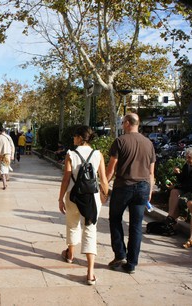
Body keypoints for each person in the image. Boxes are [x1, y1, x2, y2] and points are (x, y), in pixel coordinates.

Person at [58, 125, 109, 285]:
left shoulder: (71, 154)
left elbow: (66, 179)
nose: (73, 139)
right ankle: (90, 273)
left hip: (73, 195)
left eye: (75, 136)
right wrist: (105, 194)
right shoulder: (98, 154)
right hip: (92, 197)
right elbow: (103, 179)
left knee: (72, 225)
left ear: (80, 137)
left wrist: (60, 198)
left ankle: (70, 255)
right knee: (90, 229)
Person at [105, 113, 155, 274]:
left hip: (123, 186)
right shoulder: (148, 143)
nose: (121, 124)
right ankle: (132, 263)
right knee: (136, 226)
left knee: (115, 220)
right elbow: (151, 172)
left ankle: (120, 254)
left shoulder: (120, 141)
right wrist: (150, 191)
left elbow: (111, 168)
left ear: (127, 123)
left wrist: (104, 187)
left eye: (122, 122)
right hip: (142, 188)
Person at [164, 146, 192, 229]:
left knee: (177, 194)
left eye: (189, 158)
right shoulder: (187, 166)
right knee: (174, 192)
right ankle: (171, 217)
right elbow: (183, 180)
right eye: (186, 157)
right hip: (187, 189)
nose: (187, 160)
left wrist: (176, 186)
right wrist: (178, 173)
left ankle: (171, 218)